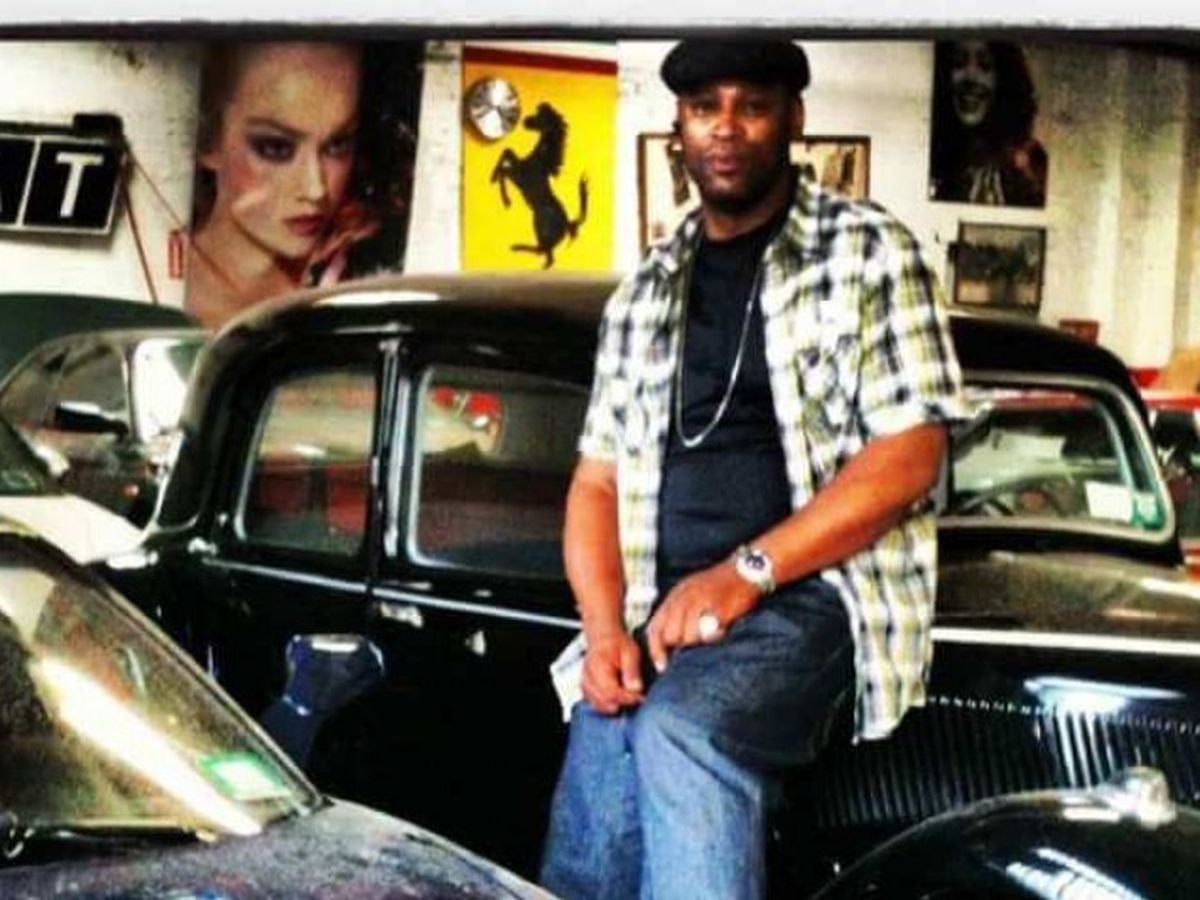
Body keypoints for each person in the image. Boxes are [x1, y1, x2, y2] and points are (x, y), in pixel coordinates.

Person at [540, 40, 970, 899]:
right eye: (706, 108)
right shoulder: (643, 294)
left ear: (794, 119)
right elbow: (596, 481)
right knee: (591, 822)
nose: (727, 128)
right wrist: (603, 631)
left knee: (684, 730)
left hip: (807, 594)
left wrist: (745, 573)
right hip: (657, 612)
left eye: (753, 105)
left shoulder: (870, 252)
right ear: (680, 126)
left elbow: (911, 453)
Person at [186, 42, 375, 330]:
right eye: (275, 147)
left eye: (337, 145)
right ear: (207, 139)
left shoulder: (358, 275)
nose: (315, 189)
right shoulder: (149, 277)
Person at [928, 40, 1048, 207]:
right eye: (959, 63)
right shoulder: (928, 161)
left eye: (985, 66)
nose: (971, 77)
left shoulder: (1024, 167)